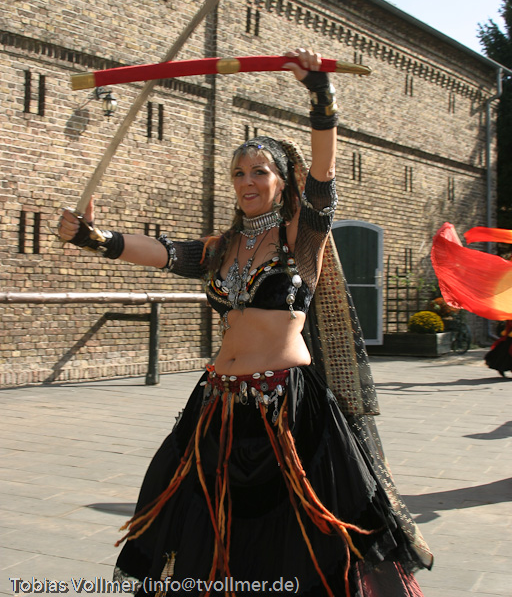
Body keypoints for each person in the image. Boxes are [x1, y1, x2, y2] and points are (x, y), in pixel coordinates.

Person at [59, 49, 431, 597]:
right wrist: (96, 238)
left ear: (282, 181)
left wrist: (321, 97)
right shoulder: (221, 247)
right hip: (219, 403)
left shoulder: (302, 239)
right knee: (207, 522)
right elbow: (161, 251)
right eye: (238, 173)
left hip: (288, 407)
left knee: (299, 532)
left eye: (259, 171)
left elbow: (323, 181)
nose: (246, 181)